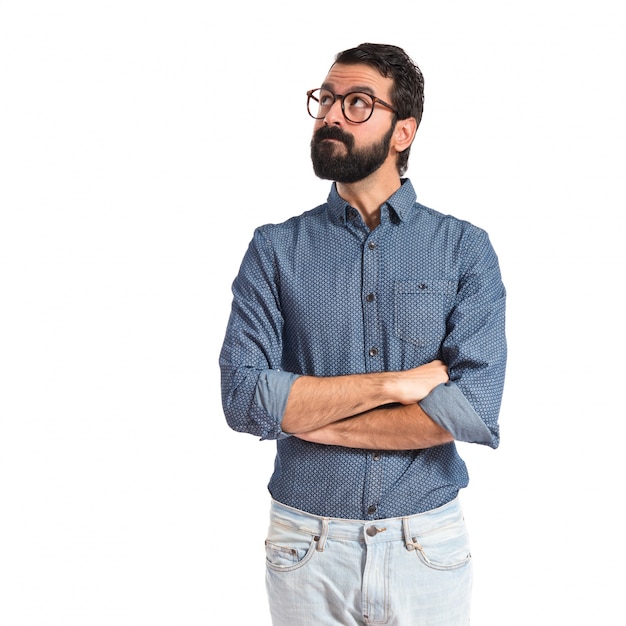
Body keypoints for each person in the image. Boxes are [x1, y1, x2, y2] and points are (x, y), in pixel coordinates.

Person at [219, 42, 506, 626]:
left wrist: (303, 412)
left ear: (403, 131)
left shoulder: (463, 250)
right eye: (325, 99)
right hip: (307, 544)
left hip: (426, 545)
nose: (329, 116)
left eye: (355, 103)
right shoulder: (274, 249)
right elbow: (245, 401)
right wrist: (396, 385)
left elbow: (471, 412)